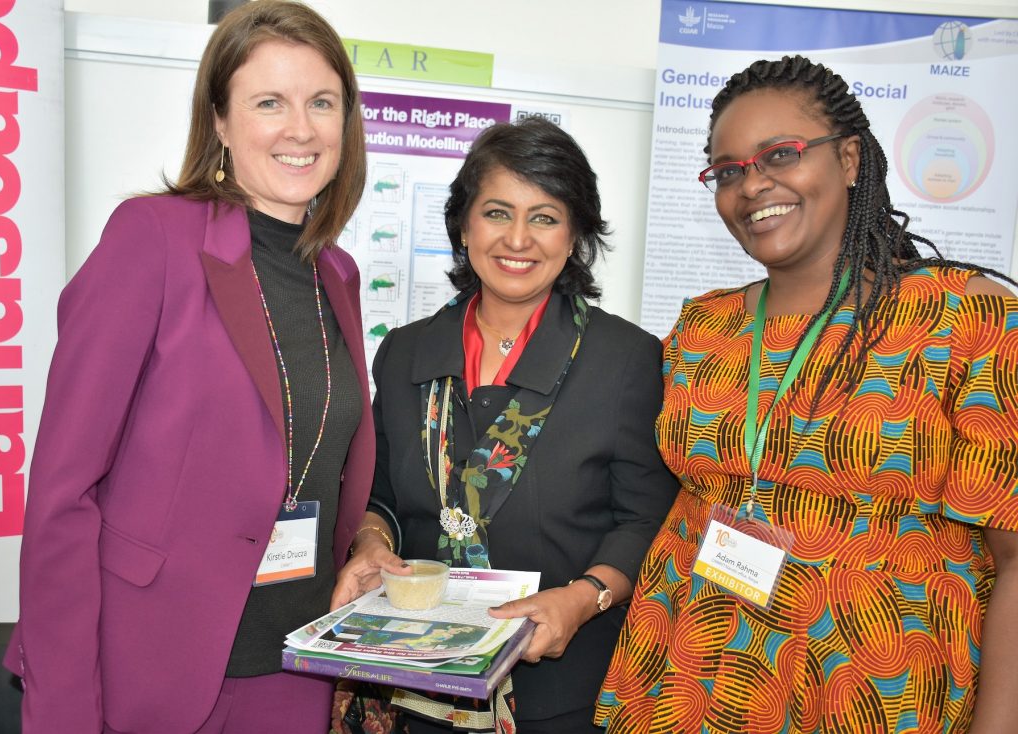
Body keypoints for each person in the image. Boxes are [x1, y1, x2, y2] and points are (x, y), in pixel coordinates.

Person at [595, 54, 1018, 733]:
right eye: (728, 170)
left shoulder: (964, 316)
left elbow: (1015, 556)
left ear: (850, 158)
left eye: (779, 155)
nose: (751, 185)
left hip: (873, 682)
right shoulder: (704, 324)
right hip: (691, 667)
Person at [2, 3, 373, 732]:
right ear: (223, 124)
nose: (300, 128)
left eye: (321, 102)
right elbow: (62, 493)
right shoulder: (153, 240)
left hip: (296, 665)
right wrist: (65, 706)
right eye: (270, 102)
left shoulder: (340, 274)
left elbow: (320, 462)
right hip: (149, 666)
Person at [332, 116, 679, 733]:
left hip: (561, 690)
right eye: (497, 212)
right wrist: (371, 545)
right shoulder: (407, 352)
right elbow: (380, 493)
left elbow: (646, 516)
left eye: (544, 217)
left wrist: (583, 598)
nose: (518, 238)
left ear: (574, 235)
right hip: (419, 677)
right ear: (464, 226)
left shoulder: (625, 359)